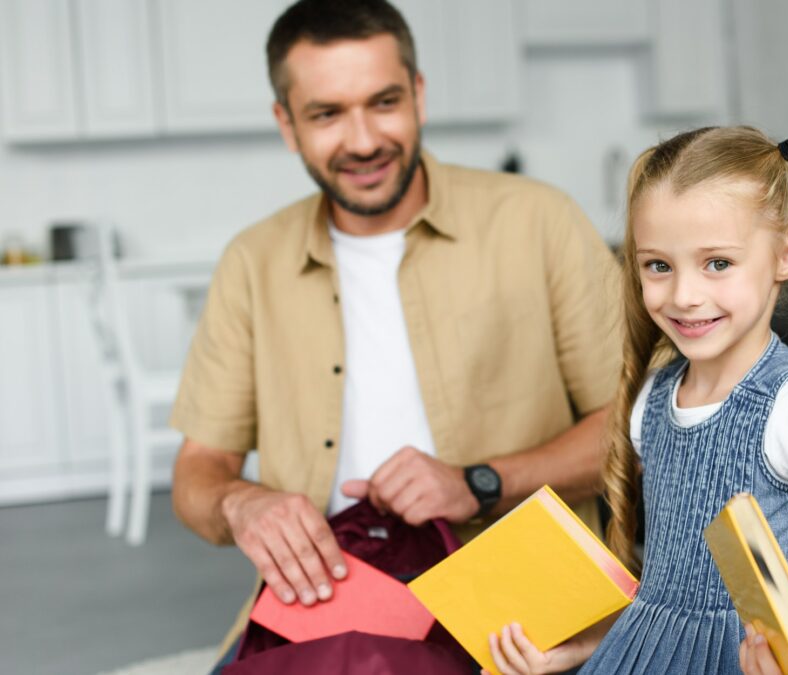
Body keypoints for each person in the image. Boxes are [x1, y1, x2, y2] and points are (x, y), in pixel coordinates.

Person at [169, 0, 621, 662]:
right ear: (287, 124)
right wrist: (242, 503)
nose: (361, 140)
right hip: (326, 596)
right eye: (326, 114)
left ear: (418, 93)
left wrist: (480, 481)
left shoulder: (539, 221)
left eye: (383, 102)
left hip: (518, 596)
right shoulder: (252, 262)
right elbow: (197, 471)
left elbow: (638, 427)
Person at [485, 126, 788, 675]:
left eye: (717, 263)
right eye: (659, 265)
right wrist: (575, 649)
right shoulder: (652, 402)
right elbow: (663, 601)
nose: (683, 295)